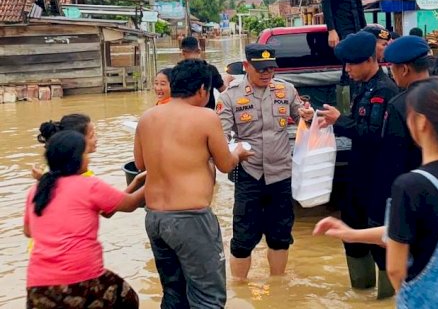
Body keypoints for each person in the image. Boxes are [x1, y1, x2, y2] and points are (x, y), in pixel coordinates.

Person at [314, 77, 438, 309]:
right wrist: (352, 234)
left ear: (420, 123)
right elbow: (417, 230)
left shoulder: (411, 185)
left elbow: (395, 269)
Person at [135, 59, 253, 308]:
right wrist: (239, 153)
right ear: (202, 89)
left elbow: (140, 164)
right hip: (190, 219)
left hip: (155, 218)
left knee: (173, 294)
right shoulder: (205, 117)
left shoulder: (147, 117)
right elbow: (225, 164)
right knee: (208, 298)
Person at [218, 44, 314, 280]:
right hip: (248, 174)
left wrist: (309, 117)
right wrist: (233, 152)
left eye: (270, 68)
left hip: (281, 173)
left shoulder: (287, 90)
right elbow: (220, 137)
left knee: (280, 236)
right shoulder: (230, 96)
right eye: (260, 68)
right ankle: (240, 288)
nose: (266, 73)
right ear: (246, 66)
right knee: (243, 237)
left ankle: (278, 287)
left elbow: (303, 118)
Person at [318, 32, 399, 297]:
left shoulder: (385, 91)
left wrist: (339, 120)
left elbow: (374, 136)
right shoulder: (361, 87)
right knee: (351, 234)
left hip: (378, 179)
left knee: (380, 241)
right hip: (357, 176)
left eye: (352, 64)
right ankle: (361, 294)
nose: (347, 69)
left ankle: (387, 298)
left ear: (369, 60)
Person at [25, 130, 145, 308]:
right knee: (128, 299)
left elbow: (28, 232)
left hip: (38, 284)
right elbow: (130, 204)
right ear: (75, 158)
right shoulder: (88, 185)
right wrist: (154, 177)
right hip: (81, 278)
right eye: (84, 154)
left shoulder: (37, 190)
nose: (87, 158)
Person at [369, 37, 431, 244]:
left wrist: (381, 210)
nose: (391, 73)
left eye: (393, 68)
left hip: (413, 193)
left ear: (404, 69)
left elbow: (392, 160)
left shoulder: (400, 105)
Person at [34, 114, 98, 180]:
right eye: (91, 136)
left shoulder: (53, 172)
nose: (96, 139)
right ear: (76, 140)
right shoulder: (83, 177)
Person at [180, 36, 226, 109]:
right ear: (199, 51)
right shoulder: (211, 69)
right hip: (208, 114)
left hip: (184, 115)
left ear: (182, 53)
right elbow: (224, 92)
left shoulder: (177, 72)